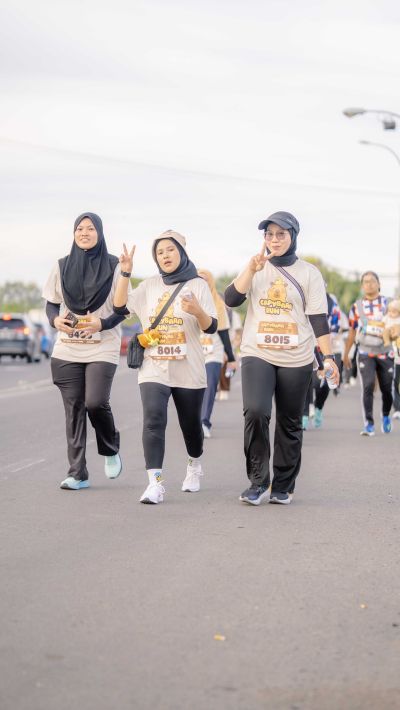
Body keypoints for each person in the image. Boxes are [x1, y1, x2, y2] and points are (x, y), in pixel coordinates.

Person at [225, 211, 339, 506]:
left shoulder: (309, 273)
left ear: (293, 236)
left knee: (289, 421)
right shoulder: (255, 266)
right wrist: (250, 270)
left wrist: (329, 357)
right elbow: (231, 300)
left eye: (281, 234)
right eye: (269, 234)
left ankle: (283, 485)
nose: (274, 240)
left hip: (296, 356)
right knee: (255, 411)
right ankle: (258, 481)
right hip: (257, 351)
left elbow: (318, 319)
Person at [113, 230, 217, 504]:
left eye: (170, 250)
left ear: (181, 252)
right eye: (159, 252)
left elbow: (211, 327)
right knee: (153, 420)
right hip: (153, 365)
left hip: (188, 368)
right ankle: (155, 484)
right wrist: (125, 273)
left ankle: (194, 464)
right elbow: (120, 306)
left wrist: (198, 311)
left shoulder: (198, 285)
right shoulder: (149, 285)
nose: (165, 256)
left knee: (191, 427)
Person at [42, 213, 125, 489]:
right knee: (74, 409)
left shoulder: (115, 265)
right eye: (80, 228)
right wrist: (55, 320)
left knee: (95, 402)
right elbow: (51, 303)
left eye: (90, 228)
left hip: (102, 346)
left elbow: (122, 309)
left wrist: (102, 324)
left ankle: (110, 447)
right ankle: (77, 473)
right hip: (67, 349)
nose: (84, 233)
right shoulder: (62, 265)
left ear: (100, 233)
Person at [343, 271, 394, 436]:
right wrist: (346, 354)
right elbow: (352, 331)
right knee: (368, 385)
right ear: (362, 286)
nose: (369, 284)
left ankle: (385, 415)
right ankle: (369, 424)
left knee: (387, 389)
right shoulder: (356, 307)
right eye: (365, 282)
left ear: (379, 284)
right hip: (365, 351)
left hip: (385, 352)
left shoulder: (389, 303)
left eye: (372, 281)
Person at [197, 269, 237, 438]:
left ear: (211, 282)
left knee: (211, 385)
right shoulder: (186, 299)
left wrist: (232, 358)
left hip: (213, 351)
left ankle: (204, 422)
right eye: (199, 279)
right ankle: (193, 421)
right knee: (193, 389)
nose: (202, 282)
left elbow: (224, 333)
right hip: (193, 352)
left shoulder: (218, 303)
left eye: (205, 279)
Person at [382, 299, 400, 418]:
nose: (391, 313)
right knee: (394, 382)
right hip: (391, 356)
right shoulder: (385, 319)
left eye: (394, 311)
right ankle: (397, 408)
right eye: (390, 310)